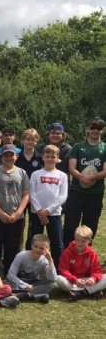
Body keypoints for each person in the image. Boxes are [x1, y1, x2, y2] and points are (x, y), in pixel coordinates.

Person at [0, 144, 30, 275]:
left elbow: (26, 195)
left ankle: (10, 273)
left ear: (16, 156)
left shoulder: (22, 173)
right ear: (1, 157)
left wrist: (18, 213)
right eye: (6, 155)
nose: (9, 158)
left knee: (13, 246)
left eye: (11, 155)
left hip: (15, 217)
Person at [63, 116, 106, 247]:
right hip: (77, 191)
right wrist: (83, 178)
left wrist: (92, 177)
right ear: (87, 129)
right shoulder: (78, 147)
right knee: (70, 225)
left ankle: (86, 253)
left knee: (90, 226)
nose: (95, 130)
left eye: (99, 128)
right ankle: (67, 252)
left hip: (96, 193)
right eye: (93, 127)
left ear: (102, 130)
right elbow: (72, 168)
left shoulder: (104, 148)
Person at [29, 145, 68, 266]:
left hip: (54, 213)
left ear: (58, 158)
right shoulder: (36, 174)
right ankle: (31, 265)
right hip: (36, 214)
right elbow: (31, 193)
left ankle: (57, 268)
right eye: (47, 156)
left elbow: (63, 196)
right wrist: (40, 212)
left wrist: (48, 211)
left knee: (57, 242)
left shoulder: (62, 175)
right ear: (42, 157)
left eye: (53, 156)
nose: (50, 159)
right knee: (33, 240)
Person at [57, 225, 106, 302]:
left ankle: (82, 292)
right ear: (75, 239)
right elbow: (64, 270)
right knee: (58, 279)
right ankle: (92, 291)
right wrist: (75, 280)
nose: (80, 243)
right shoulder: (67, 252)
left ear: (89, 241)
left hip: (87, 281)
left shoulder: (92, 253)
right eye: (78, 240)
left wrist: (93, 278)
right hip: (73, 282)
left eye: (83, 241)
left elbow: (97, 270)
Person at [5, 234, 57, 303]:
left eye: (41, 248)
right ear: (31, 245)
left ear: (47, 249)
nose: (37, 250)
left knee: (53, 284)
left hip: (32, 283)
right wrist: (25, 286)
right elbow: (10, 275)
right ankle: (38, 295)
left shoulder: (45, 260)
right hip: (17, 282)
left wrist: (50, 260)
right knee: (6, 285)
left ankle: (22, 295)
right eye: (35, 246)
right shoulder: (21, 256)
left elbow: (52, 279)